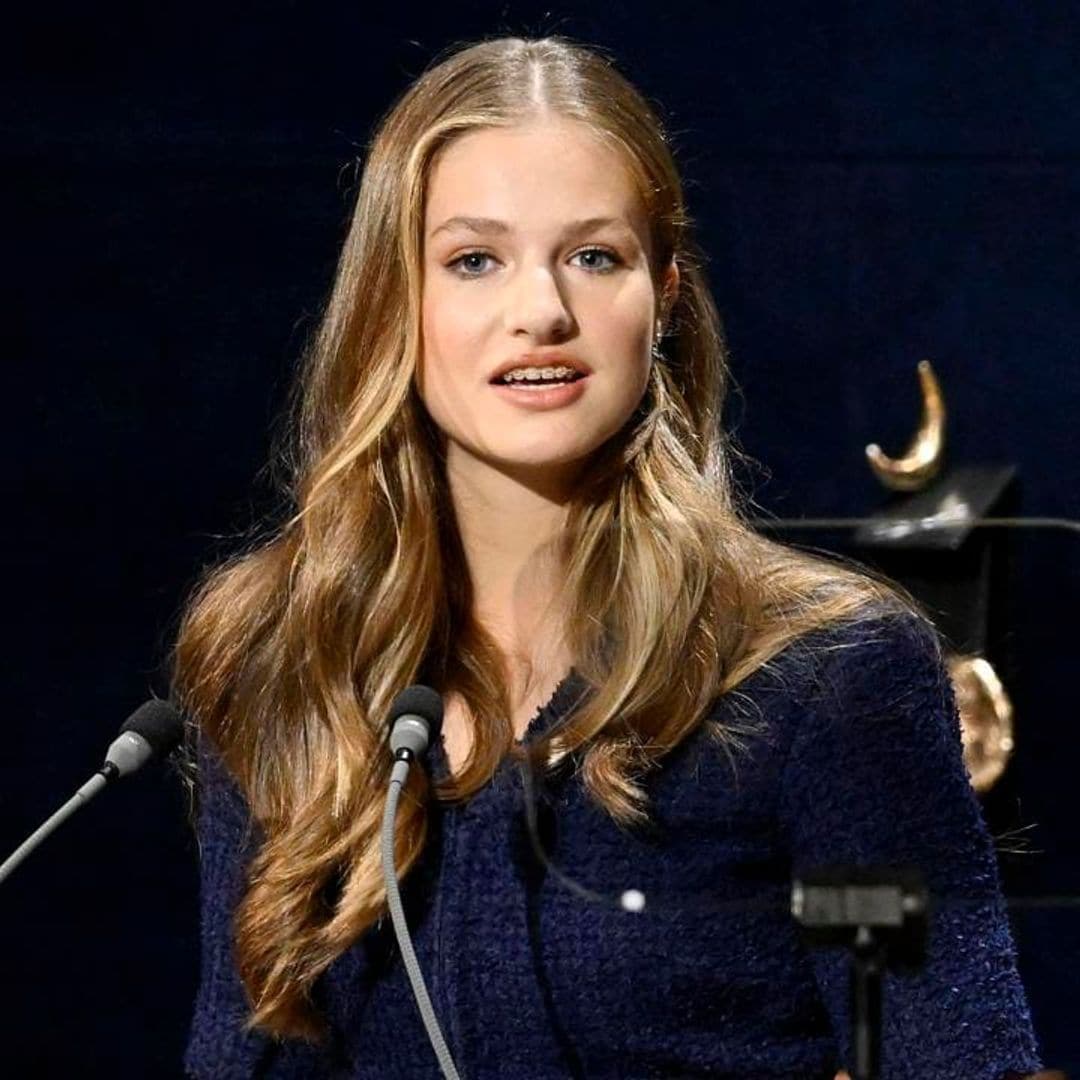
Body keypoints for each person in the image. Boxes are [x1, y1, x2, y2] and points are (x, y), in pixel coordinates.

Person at [174, 35, 1043, 1079]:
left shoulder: (826, 673)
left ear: (665, 297)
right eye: (473, 260)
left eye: (594, 256)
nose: (540, 311)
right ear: (395, 302)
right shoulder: (278, 655)